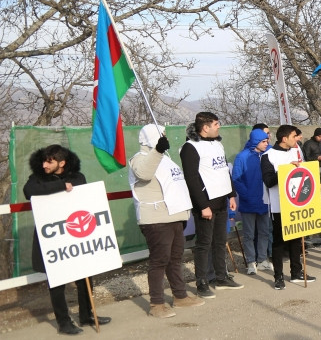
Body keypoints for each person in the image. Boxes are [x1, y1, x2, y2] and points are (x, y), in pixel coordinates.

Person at [24, 145, 112, 335]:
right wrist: (61, 187)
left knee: (85, 276)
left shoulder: (78, 178)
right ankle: (63, 322)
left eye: (49, 162)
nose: (44, 165)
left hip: (76, 237)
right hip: (53, 240)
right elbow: (29, 191)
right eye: (44, 161)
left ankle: (86, 315)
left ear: (62, 163)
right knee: (57, 282)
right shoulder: (38, 178)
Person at [129, 125, 203, 319]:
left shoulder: (166, 159)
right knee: (159, 260)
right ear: (152, 136)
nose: (165, 137)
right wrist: (157, 150)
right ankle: (157, 303)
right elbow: (143, 173)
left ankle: (180, 296)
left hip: (174, 216)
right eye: (162, 134)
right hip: (156, 219)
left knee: (175, 258)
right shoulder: (139, 158)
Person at [181, 112, 242, 298]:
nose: (219, 126)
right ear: (205, 127)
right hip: (206, 204)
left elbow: (224, 171)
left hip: (222, 201)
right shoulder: (190, 147)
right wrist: (202, 205)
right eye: (216, 124)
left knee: (220, 241)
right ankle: (202, 283)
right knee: (204, 244)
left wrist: (231, 195)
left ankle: (221, 277)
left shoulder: (217, 144)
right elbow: (191, 179)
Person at [261, 125, 316, 289]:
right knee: (279, 241)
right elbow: (268, 181)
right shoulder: (268, 156)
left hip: (297, 203)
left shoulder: (295, 151)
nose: (297, 139)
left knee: (297, 239)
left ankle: (296, 272)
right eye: (294, 136)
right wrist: (286, 170)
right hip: (279, 206)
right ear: (284, 138)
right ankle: (278, 276)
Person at [231, 128, 271, 276]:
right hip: (248, 202)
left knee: (264, 232)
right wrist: (247, 195)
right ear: (256, 141)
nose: (266, 143)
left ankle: (262, 260)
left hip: (265, 201)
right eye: (264, 141)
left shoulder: (267, 154)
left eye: (267, 141)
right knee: (249, 234)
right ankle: (250, 262)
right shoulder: (242, 157)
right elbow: (236, 179)